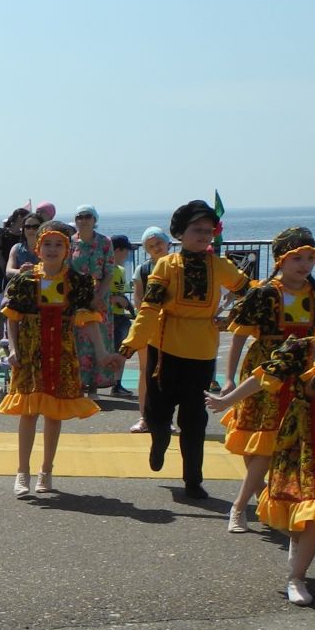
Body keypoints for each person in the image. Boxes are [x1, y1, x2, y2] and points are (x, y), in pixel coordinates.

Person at [204, 276, 315, 604]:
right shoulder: (303, 348)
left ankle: (297, 575)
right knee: (300, 509)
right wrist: (227, 400)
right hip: (300, 438)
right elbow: (263, 376)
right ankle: (297, 565)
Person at [125, 200, 253, 499]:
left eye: (209, 231)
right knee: (157, 413)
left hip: (201, 352)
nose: (204, 236)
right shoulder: (166, 265)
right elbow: (150, 306)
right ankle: (158, 442)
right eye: (197, 230)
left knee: (194, 419)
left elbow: (249, 292)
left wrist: (236, 317)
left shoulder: (219, 265)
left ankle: (193, 479)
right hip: (164, 349)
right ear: (180, 233)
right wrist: (133, 342)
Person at [217, 229, 315, 533]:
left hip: (300, 374)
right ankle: (251, 499)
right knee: (256, 444)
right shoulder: (264, 293)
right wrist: (227, 378)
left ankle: (240, 506)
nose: (304, 265)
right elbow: (238, 335)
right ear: (281, 260)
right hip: (264, 372)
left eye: (310, 258)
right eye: (296, 258)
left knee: (272, 445)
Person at [0, 223, 101, 498]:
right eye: (47, 244)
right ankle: (22, 473)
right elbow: (13, 317)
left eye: (58, 244)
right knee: (28, 412)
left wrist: (103, 353)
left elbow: (87, 319)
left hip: (62, 350)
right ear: (37, 248)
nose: (52, 249)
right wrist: (13, 349)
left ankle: (46, 471)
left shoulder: (77, 281)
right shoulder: (24, 279)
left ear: (67, 249)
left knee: (54, 414)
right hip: (31, 351)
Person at [125, 227, 172, 431]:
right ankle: (144, 417)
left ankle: (165, 419)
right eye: (151, 246)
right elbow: (137, 298)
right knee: (146, 371)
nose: (156, 248)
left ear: (167, 243)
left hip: (173, 326)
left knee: (169, 373)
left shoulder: (178, 266)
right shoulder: (143, 270)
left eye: (159, 243)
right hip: (148, 324)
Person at [68, 206, 115, 396]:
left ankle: (95, 386)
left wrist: (98, 297)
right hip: (76, 296)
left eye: (88, 216)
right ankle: (78, 384)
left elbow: (109, 272)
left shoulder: (105, 242)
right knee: (77, 341)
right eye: (80, 216)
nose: (84, 220)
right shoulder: (70, 243)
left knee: (100, 339)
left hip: (99, 295)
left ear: (95, 219)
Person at [0, 207, 32, 344]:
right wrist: (6, 275)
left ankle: (12, 339)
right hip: (0, 275)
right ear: (19, 217)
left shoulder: (22, 236)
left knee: (12, 308)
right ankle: (2, 340)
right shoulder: (1, 233)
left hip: (17, 277)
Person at [106, 235, 136, 396]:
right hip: (109, 316)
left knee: (120, 350)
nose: (127, 255)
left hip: (118, 315)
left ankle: (116, 383)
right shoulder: (108, 269)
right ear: (118, 250)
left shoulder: (121, 270)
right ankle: (115, 384)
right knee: (118, 351)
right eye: (126, 251)